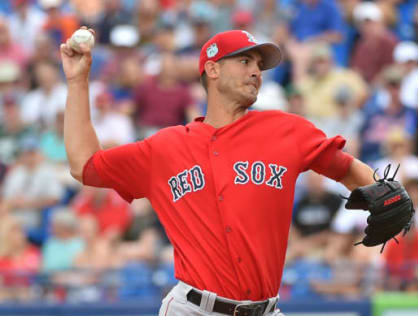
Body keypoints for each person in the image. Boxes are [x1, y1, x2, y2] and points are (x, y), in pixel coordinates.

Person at [61, 27, 382, 316]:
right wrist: (77, 81)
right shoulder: (164, 148)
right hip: (194, 308)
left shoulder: (287, 130)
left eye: (259, 64)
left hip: (265, 310)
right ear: (212, 70)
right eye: (245, 61)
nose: (256, 71)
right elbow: (84, 165)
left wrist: (387, 195)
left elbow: (349, 169)